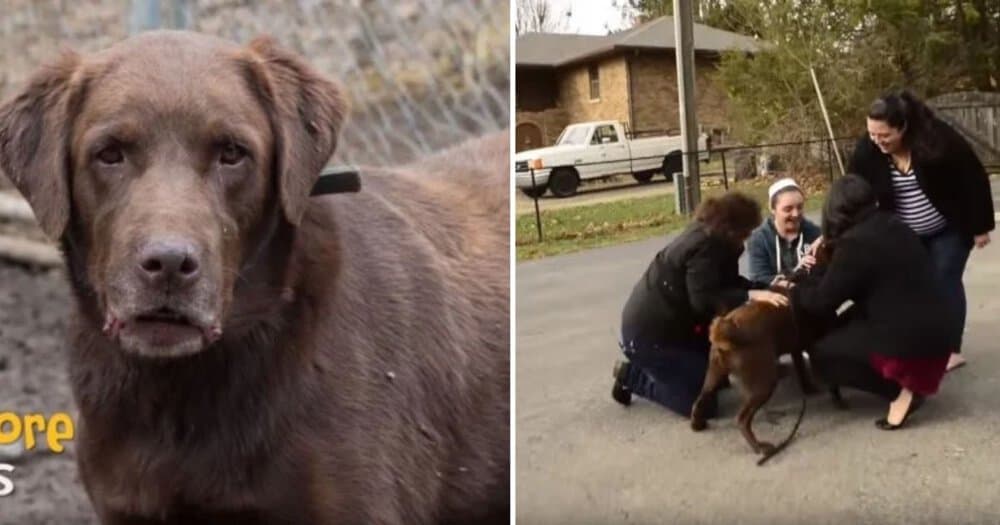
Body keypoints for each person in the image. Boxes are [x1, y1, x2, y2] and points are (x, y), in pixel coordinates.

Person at [849, 89, 994, 372]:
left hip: (949, 227)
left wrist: (980, 227)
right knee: (910, 287)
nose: (877, 141)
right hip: (905, 232)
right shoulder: (869, 149)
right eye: (872, 134)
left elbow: (973, 178)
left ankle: (951, 349)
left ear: (903, 127)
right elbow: (853, 188)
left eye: (884, 135)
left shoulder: (937, 140)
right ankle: (919, 343)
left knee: (943, 280)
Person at [791, 175, 952, 430]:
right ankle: (909, 381)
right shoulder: (894, 224)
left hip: (912, 344)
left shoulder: (854, 244)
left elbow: (821, 302)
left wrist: (796, 286)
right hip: (940, 335)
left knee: (822, 354)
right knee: (849, 320)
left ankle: (899, 391)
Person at [611, 192, 788, 418]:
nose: (749, 236)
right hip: (651, 336)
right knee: (702, 403)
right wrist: (751, 294)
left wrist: (765, 287)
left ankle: (654, 369)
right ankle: (632, 376)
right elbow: (703, 299)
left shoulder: (717, 239)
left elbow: (725, 283)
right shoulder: (704, 247)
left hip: (674, 327)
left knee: (719, 376)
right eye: (747, 231)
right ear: (733, 229)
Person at [747, 178, 822, 288]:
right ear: (772, 209)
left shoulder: (815, 234)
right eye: (788, 209)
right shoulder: (759, 239)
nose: (796, 214)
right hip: (773, 301)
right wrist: (796, 273)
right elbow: (759, 279)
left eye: (800, 207)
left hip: (809, 300)